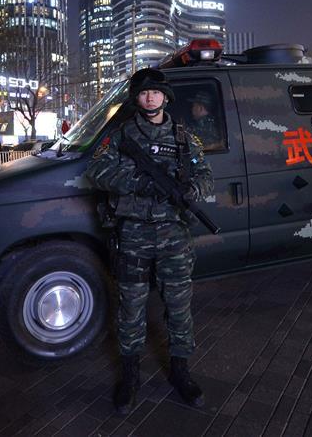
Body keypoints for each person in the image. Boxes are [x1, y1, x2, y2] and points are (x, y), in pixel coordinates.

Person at [85, 68, 213, 414]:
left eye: (156, 92)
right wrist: (135, 181)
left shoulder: (184, 138)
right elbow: (95, 171)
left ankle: (181, 372)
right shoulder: (121, 135)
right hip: (134, 233)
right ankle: (130, 376)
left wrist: (191, 189)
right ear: (136, 99)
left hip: (174, 234)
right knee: (131, 306)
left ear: (166, 97)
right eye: (144, 93)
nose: (150, 97)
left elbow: (205, 175)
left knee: (179, 305)